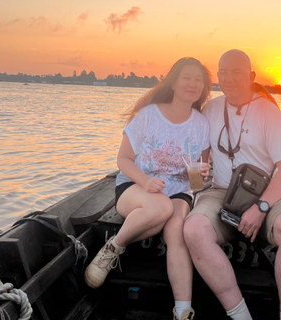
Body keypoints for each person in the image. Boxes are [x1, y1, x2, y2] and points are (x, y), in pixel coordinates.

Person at [183, 49, 281, 320]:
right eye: (223, 72)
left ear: (251, 76)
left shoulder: (268, 111)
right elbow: (198, 165)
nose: (228, 78)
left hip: (267, 194)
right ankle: (240, 315)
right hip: (220, 192)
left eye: (236, 72)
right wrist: (195, 181)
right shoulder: (210, 109)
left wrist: (262, 207)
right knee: (193, 229)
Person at [84, 57, 212, 320]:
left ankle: (182, 310)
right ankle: (113, 248)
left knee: (176, 226)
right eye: (187, 77)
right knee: (161, 206)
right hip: (135, 185)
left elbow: (196, 182)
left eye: (199, 79)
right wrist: (145, 181)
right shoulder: (148, 115)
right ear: (173, 82)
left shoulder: (201, 124)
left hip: (179, 190)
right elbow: (123, 160)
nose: (193, 83)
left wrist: (202, 174)